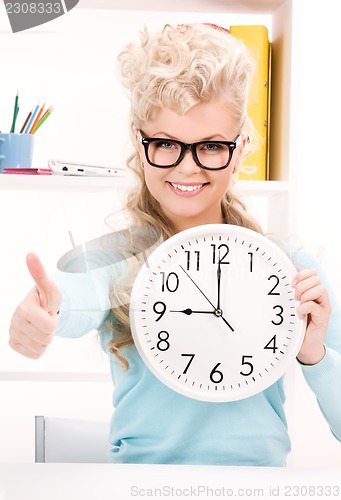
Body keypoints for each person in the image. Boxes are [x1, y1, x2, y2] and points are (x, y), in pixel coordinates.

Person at [9, 23, 341, 466]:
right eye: (166, 144)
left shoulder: (288, 266)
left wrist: (313, 352)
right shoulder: (116, 257)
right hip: (140, 489)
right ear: (138, 141)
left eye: (210, 147)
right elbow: (76, 298)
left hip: (259, 489)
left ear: (240, 149)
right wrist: (47, 311)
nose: (187, 168)